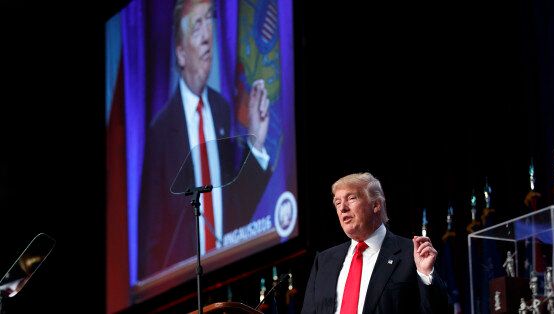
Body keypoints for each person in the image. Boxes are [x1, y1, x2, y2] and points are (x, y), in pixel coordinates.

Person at [137, 0, 272, 279]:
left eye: (209, 20)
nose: (207, 35)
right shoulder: (160, 132)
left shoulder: (223, 110)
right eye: (197, 26)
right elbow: (151, 238)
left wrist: (256, 142)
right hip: (185, 283)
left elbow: (236, 205)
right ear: (180, 53)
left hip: (230, 271)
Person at [302, 172, 450, 313]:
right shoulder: (324, 261)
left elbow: (438, 311)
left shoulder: (411, 253)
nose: (342, 208)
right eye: (337, 202)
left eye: (351, 198)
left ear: (376, 205)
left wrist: (426, 275)